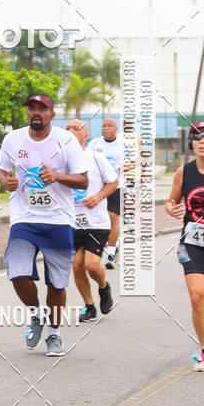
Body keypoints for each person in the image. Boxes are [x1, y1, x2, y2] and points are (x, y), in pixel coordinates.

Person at [0, 94, 88, 356]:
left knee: (56, 285)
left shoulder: (66, 140)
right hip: (24, 218)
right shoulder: (13, 139)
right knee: (17, 271)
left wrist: (57, 176)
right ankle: (36, 314)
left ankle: (54, 335)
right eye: (31, 108)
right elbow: (1, 169)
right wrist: (5, 181)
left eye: (42, 109)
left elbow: (83, 181)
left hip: (58, 220)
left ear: (52, 113)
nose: (36, 113)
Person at [166, 120, 204, 372]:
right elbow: (172, 200)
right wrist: (172, 209)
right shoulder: (184, 172)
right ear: (191, 143)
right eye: (197, 136)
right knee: (197, 295)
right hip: (191, 243)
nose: (202, 141)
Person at [66, 120, 117, 321]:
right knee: (77, 266)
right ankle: (89, 306)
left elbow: (113, 181)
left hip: (96, 223)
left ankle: (104, 287)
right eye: (67, 128)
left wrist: (97, 197)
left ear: (85, 135)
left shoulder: (95, 157)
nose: (71, 131)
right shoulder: (61, 160)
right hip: (72, 223)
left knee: (92, 265)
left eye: (76, 128)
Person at [88, 118, 123, 269]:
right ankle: (98, 248)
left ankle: (111, 252)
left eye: (110, 126)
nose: (106, 128)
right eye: (104, 126)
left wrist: (127, 166)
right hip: (97, 187)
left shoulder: (123, 145)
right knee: (98, 219)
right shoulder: (94, 144)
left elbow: (135, 161)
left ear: (116, 129)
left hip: (117, 185)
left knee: (112, 217)